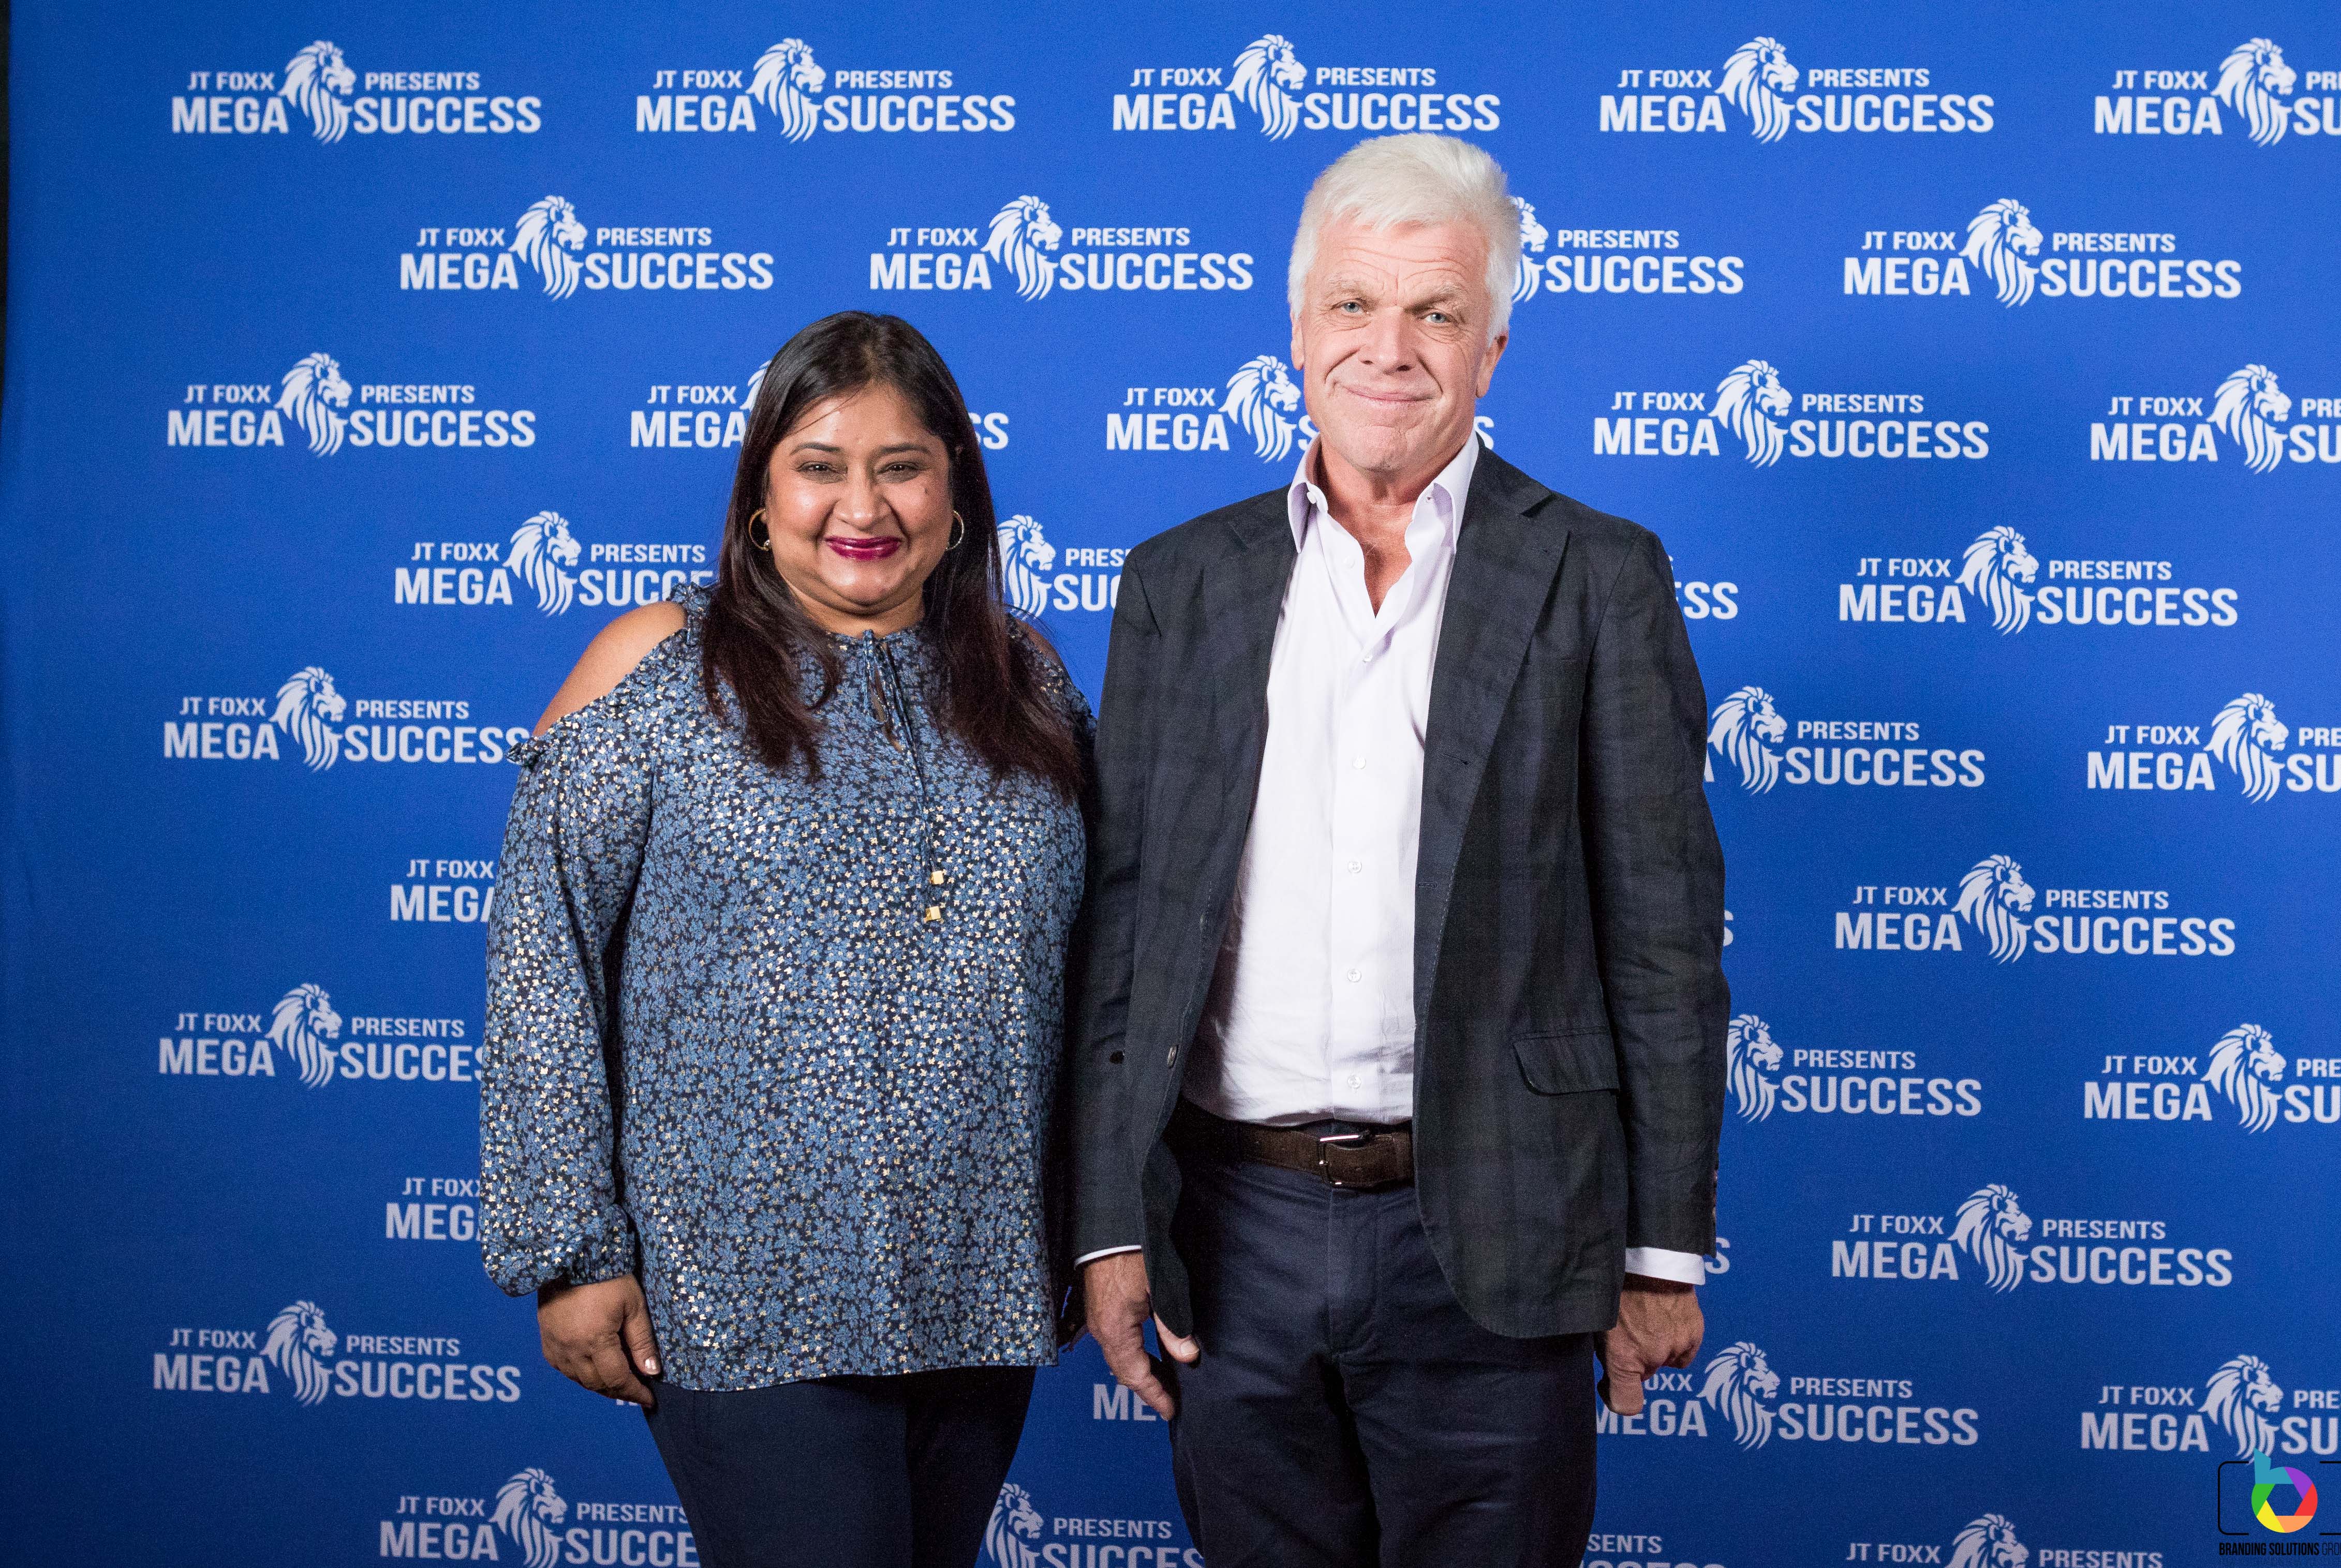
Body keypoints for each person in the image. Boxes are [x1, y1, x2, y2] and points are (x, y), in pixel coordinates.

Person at [1071, 134, 1730, 1567]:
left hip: (1498, 1233)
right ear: (1297, 332)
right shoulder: (1178, 581)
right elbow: (1123, 929)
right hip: (1226, 1235)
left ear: (1492, 348)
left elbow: (1664, 941)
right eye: (1354, 305)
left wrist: (1659, 1255)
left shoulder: (1598, 576)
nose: (1390, 348)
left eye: (1436, 313)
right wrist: (1110, 1225)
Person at [479, 312, 1090, 1568]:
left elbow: (1095, 968)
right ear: (761, 495)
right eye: (819, 467)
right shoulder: (658, 667)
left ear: (957, 492)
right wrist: (570, 1251)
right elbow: (542, 958)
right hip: (744, 1288)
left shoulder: (1026, 677)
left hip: (980, 1283)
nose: (861, 506)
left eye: (902, 466)